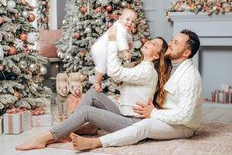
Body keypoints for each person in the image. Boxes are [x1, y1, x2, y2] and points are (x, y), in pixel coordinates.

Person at [15, 28, 172, 151]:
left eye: (154, 44)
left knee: (86, 112)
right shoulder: (139, 66)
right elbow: (118, 77)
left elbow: (115, 71)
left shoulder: (147, 71)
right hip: (124, 115)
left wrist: (111, 41)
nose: (149, 42)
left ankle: (46, 137)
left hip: (133, 123)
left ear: (157, 56)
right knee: (93, 94)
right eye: (151, 41)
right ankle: (81, 129)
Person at [70, 29, 203, 151]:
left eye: (175, 43)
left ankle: (96, 143)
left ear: (186, 53)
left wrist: (154, 113)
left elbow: (185, 116)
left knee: (145, 126)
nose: (170, 44)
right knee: (101, 99)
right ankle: (72, 126)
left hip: (182, 126)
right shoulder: (168, 66)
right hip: (164, 116)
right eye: (172, 40)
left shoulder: (190, 77)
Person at [91, 8, 137, 92]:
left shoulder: (124, 29)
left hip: (102, 48)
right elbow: (121, 39)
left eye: (133, 21)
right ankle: (97, 82)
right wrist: (125, 51)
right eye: (127, 19)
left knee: (106, 66)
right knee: (101, 67)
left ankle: (99, 81)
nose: (130, 22)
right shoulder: (120, 28)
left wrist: (130, 43)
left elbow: (128, 37)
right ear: (120, 19)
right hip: (101, 49)